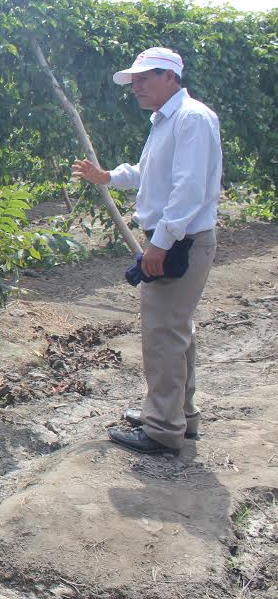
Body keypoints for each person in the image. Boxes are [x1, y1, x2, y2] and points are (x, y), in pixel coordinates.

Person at [73, 47, 222, 456]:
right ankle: (178, 415)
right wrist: (108, 177)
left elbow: (188, 188)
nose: (135, 87)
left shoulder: (191, 119)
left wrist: (160, 244)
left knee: (163, 335)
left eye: (143, 79)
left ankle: (161, 428)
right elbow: (151, 174)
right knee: (177, 331)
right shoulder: (166, 121)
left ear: (170, 77)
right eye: (133, 81)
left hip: (180, 241)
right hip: (177, 238)